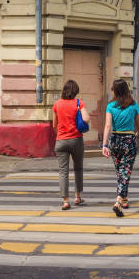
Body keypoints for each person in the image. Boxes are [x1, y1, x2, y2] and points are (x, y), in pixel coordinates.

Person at [102, 79, 139, 217]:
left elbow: (107, 126)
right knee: (125, 172)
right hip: (129, 141)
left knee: (121, 172)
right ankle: (118, 201)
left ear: (115, 90)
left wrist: (105, 145)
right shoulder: (133, 105)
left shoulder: (110, 106)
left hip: (115, 141)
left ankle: (125, 199)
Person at [52, 79, 90, 210]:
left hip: (61, 141)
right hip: (76, 140)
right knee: (78, 168)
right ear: (74, 92)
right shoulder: (79, 103)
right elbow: (86, 119)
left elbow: (54, 125)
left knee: (63, 171)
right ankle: (78, 196)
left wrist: (61, 135)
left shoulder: (57, 104)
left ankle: (65, 201)